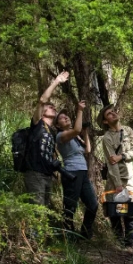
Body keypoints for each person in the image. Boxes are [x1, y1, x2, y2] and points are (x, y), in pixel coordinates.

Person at [24, 71, 70, 208]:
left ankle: (40, 231)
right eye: (50, 107)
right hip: (34, 173)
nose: (53, 108)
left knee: (43, 210)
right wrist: (56, 82)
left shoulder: (52, 132)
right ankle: (33, 231)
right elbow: (42, 100)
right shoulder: (37, 124)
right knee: (37, 210)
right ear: (43, 111)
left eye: (54, 107)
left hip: (47, 175)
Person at [54, 100, 98, 240]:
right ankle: (68, 236)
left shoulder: (75, 136)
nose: (66, 117)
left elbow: (87, 150)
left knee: (93, 204)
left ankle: (85, 232)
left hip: (83, 172)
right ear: (57, 125)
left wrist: (85, 133)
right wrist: (79, 110)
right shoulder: (61, 136)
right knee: (70, 206)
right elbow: (76, 129)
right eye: (62, 117)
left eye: (66, 116)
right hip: (72, 172)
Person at [97, 104, 133, 247]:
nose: (113, 114)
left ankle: (131, 243)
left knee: (130, 211)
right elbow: (111, 163)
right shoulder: (107, 138)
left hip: (129, 178)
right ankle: (118, 243)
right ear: (105, 121)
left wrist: (121, 156)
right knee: (115, 211)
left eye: (113, 111)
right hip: (115, 181)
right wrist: (118, 185)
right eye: (109, 114)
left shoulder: (128, 130)